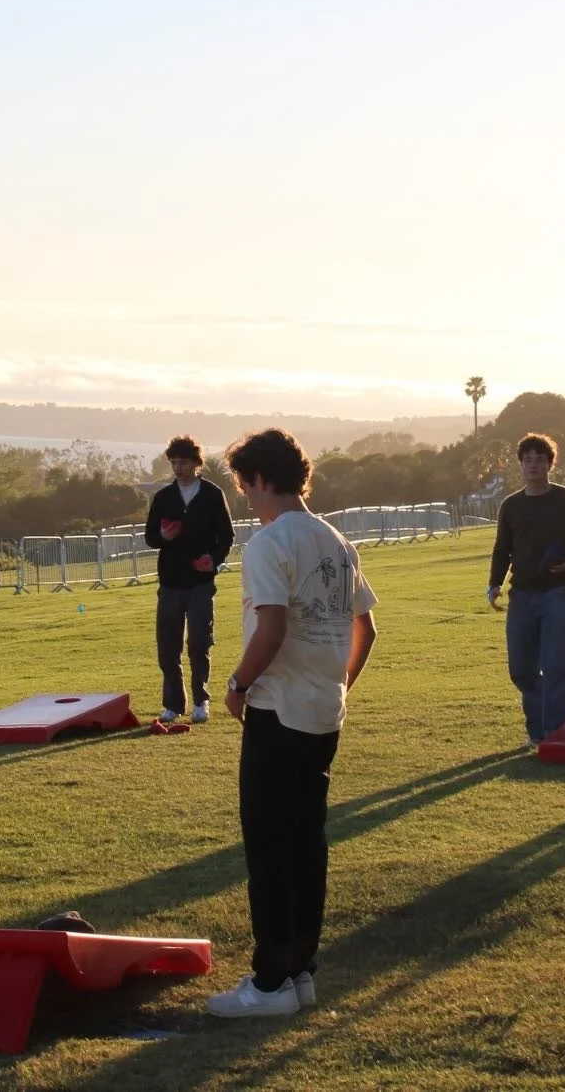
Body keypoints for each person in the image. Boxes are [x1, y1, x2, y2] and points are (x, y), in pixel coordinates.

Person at [206, 428, 377, 1019]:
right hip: (324, 712)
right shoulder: (336, 539)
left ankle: (272, 983)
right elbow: (365, 629)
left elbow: (271, 628)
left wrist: (237, 684)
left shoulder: (269, 543)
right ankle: (300, 972)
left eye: (243, 486)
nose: (245, 498)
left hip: (278, 711)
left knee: (271, 849)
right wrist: (337, 683)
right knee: (306, 845)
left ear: (260, 479)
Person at [487, 433, 565, 747]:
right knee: (521, 668)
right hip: (521, 594)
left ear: (550, 464)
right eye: (528, 460)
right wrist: (494, 584)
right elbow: (502, 548)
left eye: (539, 459)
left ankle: (555, 732)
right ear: (521, 465)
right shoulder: (511, 505)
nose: (533, 465)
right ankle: (538, 729)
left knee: (559, 664)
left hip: (558, 592)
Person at [142, 436, 235, 723]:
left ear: (197, 463)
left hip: (200, 582)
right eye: (173, 462)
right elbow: (150, 537)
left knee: (199, 643)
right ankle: (173, 705)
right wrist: (163, 537)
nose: (177, 468)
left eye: (183, 462)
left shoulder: (212, 494)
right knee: (168, 647)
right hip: (170, 582)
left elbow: (227, 535)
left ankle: (200, 701)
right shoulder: (163, 497)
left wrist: (213, 559)